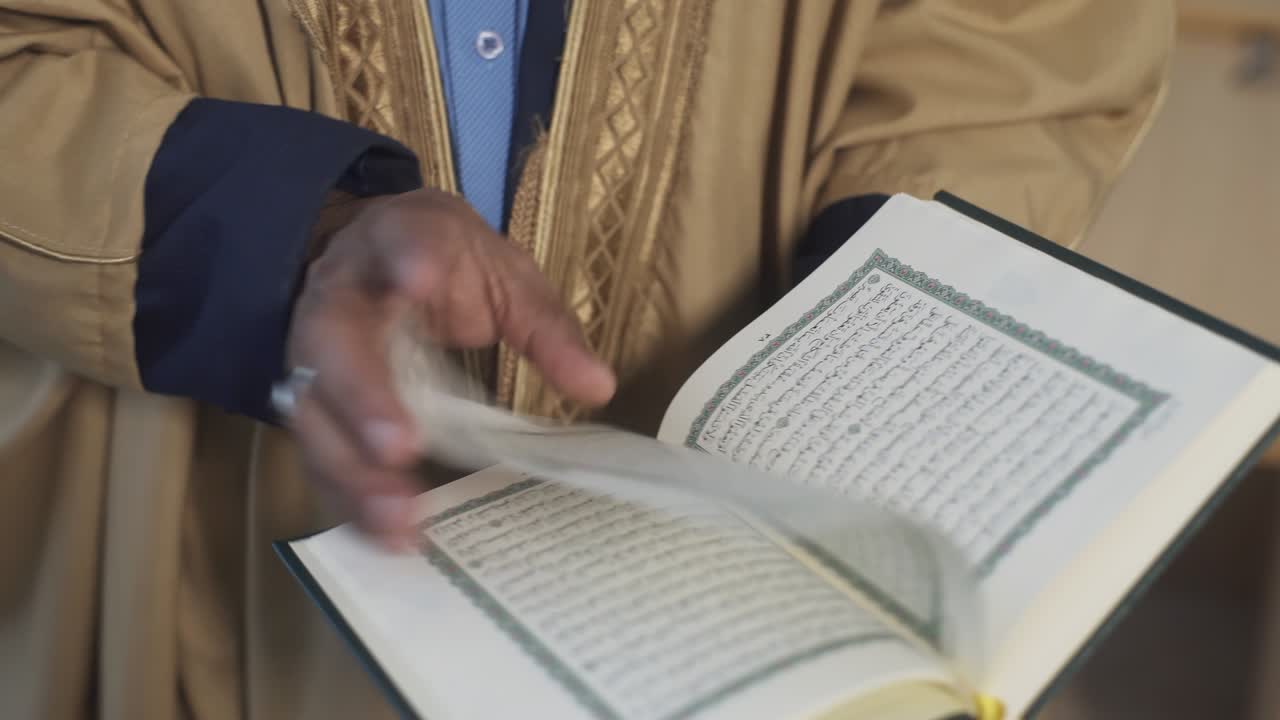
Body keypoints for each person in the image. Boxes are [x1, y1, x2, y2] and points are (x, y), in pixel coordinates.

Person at [0, 1, 1173, 718]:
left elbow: (1019, 41)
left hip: (731, 565)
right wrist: (295, 234)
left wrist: (876, 299)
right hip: (192, 513)